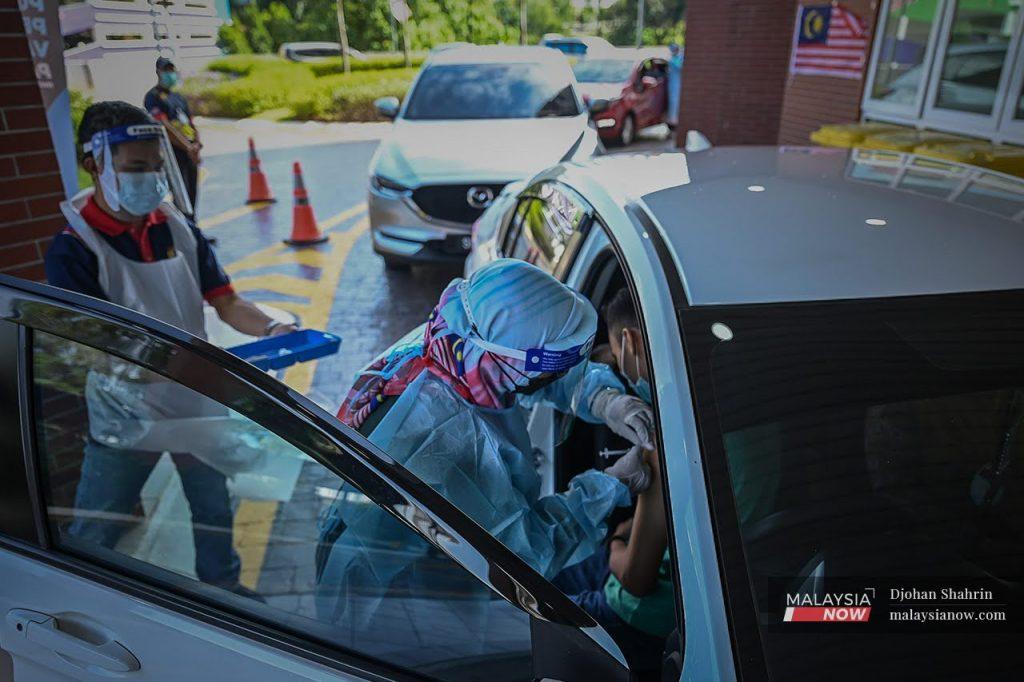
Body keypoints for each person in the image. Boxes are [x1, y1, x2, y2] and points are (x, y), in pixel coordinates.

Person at [315, 259, 654, 632]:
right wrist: (609, 487)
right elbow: (523, 557)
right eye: (556, 363)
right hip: (409, 604)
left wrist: (603, 398)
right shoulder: (442, 445)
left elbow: (532, 374)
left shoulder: (458, 341)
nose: (561, 374)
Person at [44, 101, 297, 596]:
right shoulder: (73, 248)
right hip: (127, 411)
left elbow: (227, 303)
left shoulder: (176, 228)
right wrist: (176, 367)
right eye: (136, 168)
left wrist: (272, 331)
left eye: (155, 166)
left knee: (212, 505)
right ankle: (74, 600)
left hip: (192, 397)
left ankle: (224, 589)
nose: (150, 179)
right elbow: (93, 348)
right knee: (100, 520)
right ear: (94, 163)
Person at [552, 287, 675, 675]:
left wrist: (617, 542)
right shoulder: (753, 419)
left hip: (645, 613)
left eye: (618, 360)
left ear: (630, 340)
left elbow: (636, 580)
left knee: (531, 609)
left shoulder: (665, 435)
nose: (620, 371)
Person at [145, 57, 201, 211]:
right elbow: (164, 126)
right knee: (181, 194)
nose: (170, 74)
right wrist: (188, 147)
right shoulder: (153, 97)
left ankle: (194, 229)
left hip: (190, 152)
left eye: (172, 70)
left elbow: (190, 123)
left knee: (192, 193)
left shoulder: (178, 97)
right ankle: (185, 228)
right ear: (158, 72)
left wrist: (196, 145)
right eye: (166, 70)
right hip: (174, 153)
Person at [667, 43, 683, 130]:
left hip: (676, 84)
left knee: (675, 101)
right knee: (673, 102)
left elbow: (679, 67)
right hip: (673, 84)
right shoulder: (674, 59)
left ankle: (674, 121)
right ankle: (673, 120)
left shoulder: (675, 60)